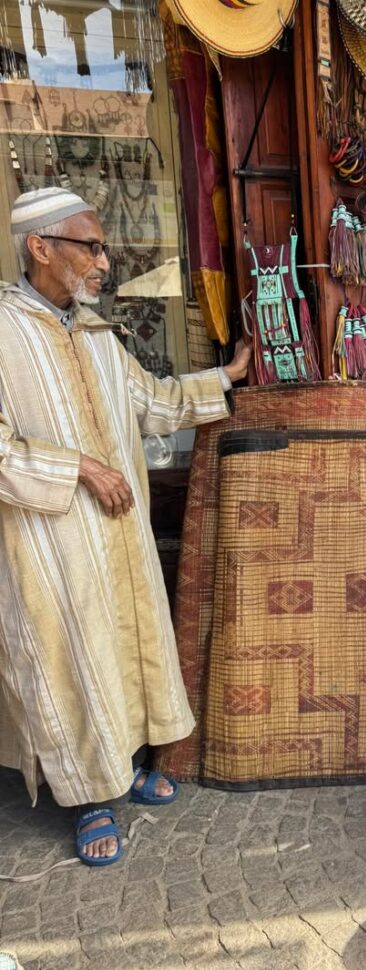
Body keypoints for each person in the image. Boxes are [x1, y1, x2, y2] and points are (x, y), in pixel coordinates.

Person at [0, 187, 252, 866]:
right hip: (52, 541)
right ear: (40, 247)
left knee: (127, 648)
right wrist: (79, 466)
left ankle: (131, 765)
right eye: (92, 246)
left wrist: (226, 379)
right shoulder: (2, 331)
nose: (104, 262)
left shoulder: (97, 333)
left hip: (118, 534)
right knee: (72, 660)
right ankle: (88, 799)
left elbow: (154, 403)